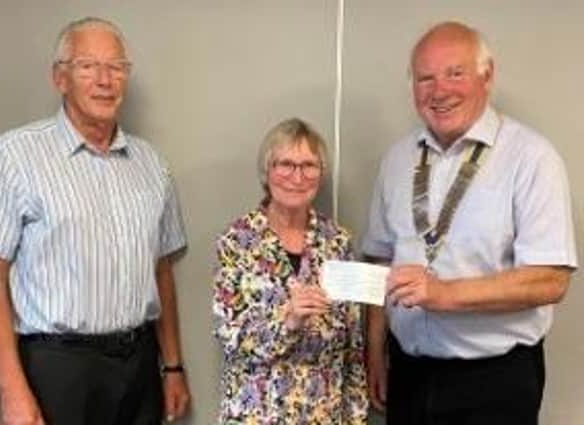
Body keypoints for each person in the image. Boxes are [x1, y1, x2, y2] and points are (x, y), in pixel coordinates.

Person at [0, 17, 190, 425]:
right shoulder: (15, 156)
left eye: (117, 67)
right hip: (57, 368)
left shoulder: (151, 164)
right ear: (60, 78)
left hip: (139, 364)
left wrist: (172, 366)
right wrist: (11, 389)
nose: (105, 80)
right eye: (87, 66)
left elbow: (161, 270)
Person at [362, 21, 577, 425]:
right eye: (425, 78)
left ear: (487, 75)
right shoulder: (396, 160)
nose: (439, 90)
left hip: (494, 382)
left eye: (454, 73)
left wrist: (443, 293)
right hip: (408, 373)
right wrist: (374, 351)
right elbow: (379, 260)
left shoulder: (532, 159)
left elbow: (550, 279)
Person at [213, 118, 369, 424]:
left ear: (320, 174)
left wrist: (356, 415)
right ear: (266, 171)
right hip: (257, 412)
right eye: (285, 164)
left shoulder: (338, 241)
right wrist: (289, 320)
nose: (297, 176)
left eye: (309, 165)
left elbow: (352, 345)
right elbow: (230, 336)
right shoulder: (237, 241)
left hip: (324, 412)